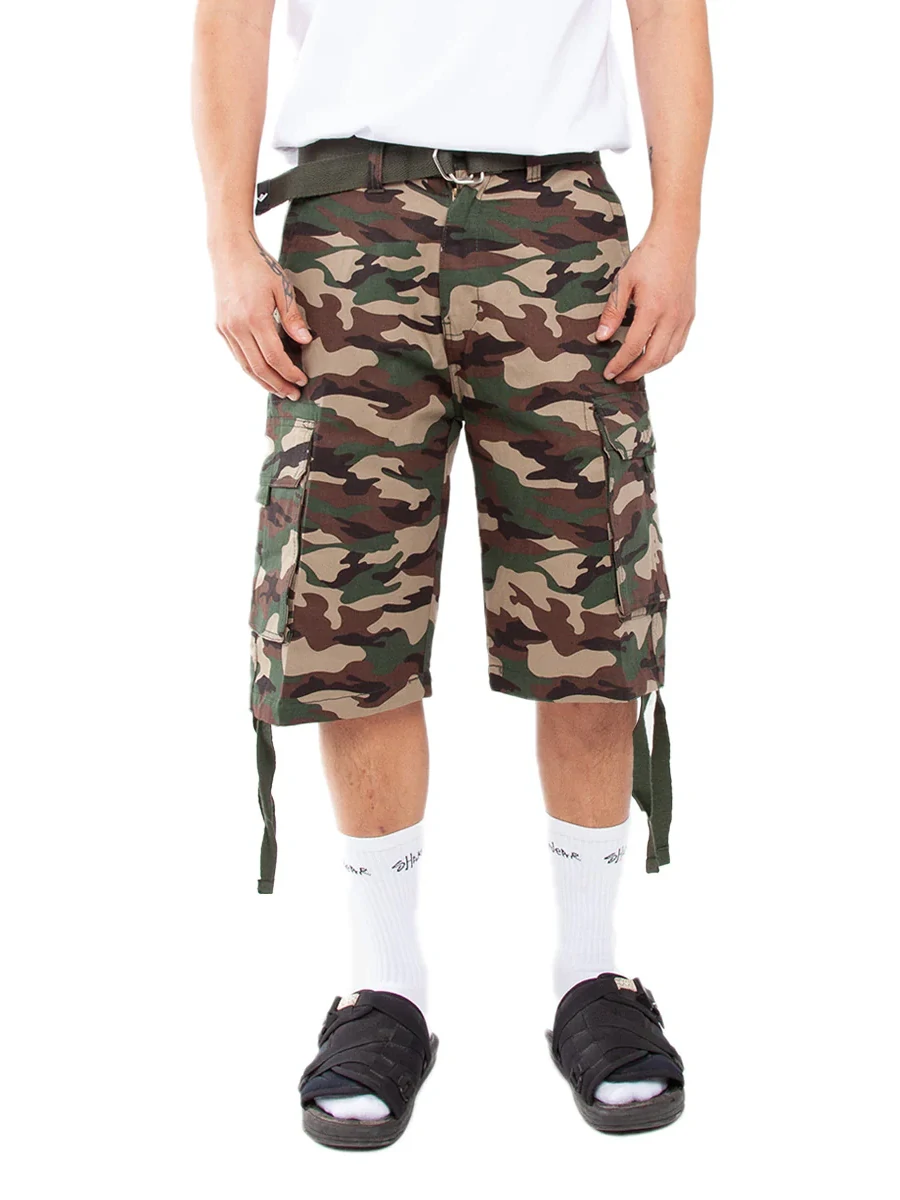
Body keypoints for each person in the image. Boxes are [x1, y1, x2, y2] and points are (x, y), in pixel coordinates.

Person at [192, 0, 712, 1149]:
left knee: (591, 603)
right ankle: (385, 989)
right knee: (346, 614)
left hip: (557, 218)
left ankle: (592, 978)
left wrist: (677, 228)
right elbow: (231, 15)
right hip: (347, 220)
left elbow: (667, 9)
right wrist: (228, 241)